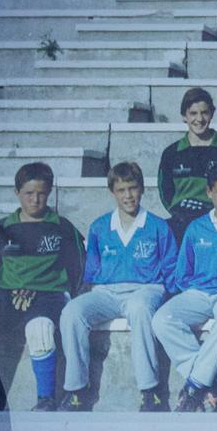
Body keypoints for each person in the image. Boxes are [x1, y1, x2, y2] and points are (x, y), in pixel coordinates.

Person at [59, 161, 175, 411]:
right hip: (107, 291)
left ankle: (150, 390)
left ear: (142, 189)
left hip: (146, 288)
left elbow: (170, 268)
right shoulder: (100, 227)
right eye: (121, 190)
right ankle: (76, 390)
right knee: (72, 312)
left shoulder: (157, 226)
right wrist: (85, 292)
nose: (128, 195)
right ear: (112, 192)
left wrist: (168, 295)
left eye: (132, 188)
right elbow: (91, 270)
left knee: (139, 308)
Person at [0, 162, 84, 411]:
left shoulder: (62, 227)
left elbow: (76, 266)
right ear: (17, 193)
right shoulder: (1, 228)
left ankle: (46, 400)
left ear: (50, 192)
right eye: (29, 193)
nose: (35, 200)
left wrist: (45, 289)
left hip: (49, 296)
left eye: (41, 193)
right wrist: (15, 287)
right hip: (7, 295)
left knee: (40, 329)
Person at [157, 174, 217, 411]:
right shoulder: (197, 227)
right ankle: (216, 377)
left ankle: (194, 386)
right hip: (199, 291)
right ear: (209, 192)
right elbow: (183, 272)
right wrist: (193, 292)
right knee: (161, 319)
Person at [157, 87, 217, 237]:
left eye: (204, 112)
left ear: (212, 114)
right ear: (184, 116)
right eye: (193, 113)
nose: (199, 119)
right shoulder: (172, 153)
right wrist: (178, 212)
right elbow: (165, 191)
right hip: (182, 223)